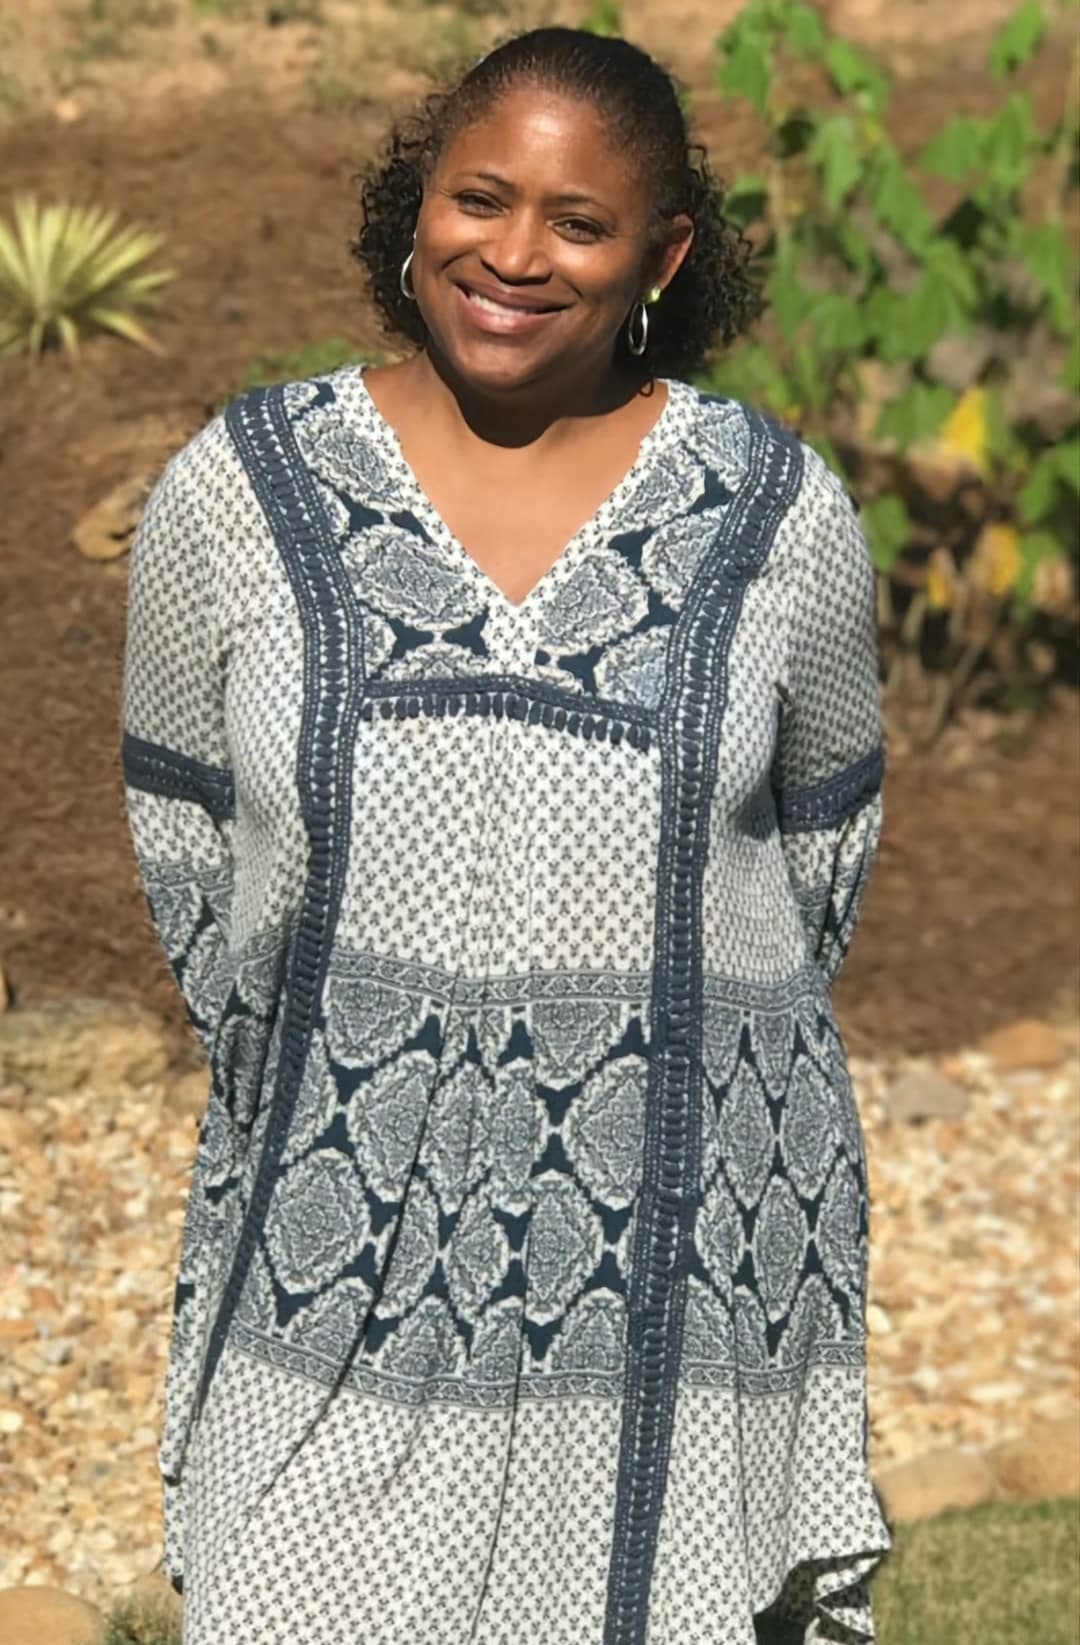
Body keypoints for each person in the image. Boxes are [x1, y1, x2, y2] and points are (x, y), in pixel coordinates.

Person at [121, 25, 891, 1645]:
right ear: (420, 203)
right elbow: (185, 834)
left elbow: (818, 856)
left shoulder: (774, 513)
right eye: (482, 198)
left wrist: (646, 1048)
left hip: (676, 1241)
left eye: (580, 222)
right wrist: (349, 1053)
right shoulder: (243, 491)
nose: (517, 256)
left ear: (661, 258)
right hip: (334, 1223)